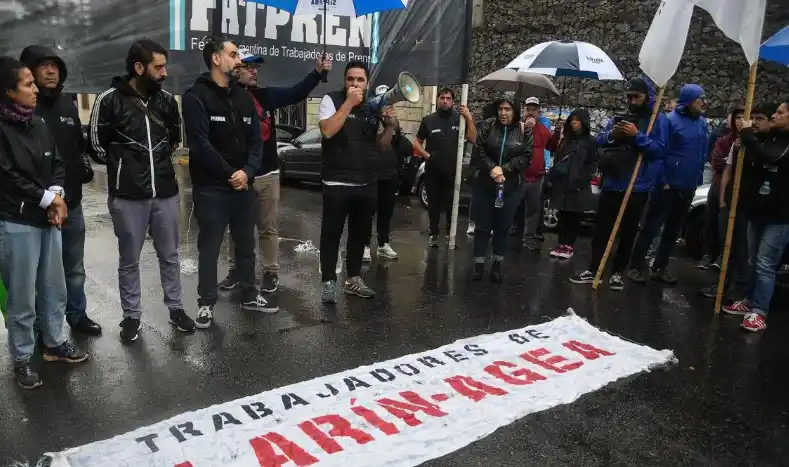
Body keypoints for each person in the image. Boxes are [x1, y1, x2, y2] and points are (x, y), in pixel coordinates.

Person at [89, 39, 195, 342]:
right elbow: (96, 145)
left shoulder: (166, 102)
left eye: (165, 66)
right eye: (158, 66)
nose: (164, 72)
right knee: (129, 260)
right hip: (127, 196)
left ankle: (175, 309)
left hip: (164, 192)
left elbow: (174, 139)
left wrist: (155, 164)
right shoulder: (109, 100)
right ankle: (131, 317)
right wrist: (126, 164)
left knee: (170, 256)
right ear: (139, 67)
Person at [0, 56, 88, 389]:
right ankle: (22, 358)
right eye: (27, 84)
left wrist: (57, 193)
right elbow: (6, 176)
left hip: (48, 217)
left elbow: (57, 163)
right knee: (22, 297)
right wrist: (49, 199)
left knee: (54, 287)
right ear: (9, 91)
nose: (35, 88)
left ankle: (54, 343)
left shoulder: (37, 123)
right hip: (16, 220)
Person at [218, 50, 331, 295]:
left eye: (256, 68)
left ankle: (270, 272)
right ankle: (235, 270)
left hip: (267, 175)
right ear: (236, 69)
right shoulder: (226, 98)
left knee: (267, 227)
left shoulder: (266, 96)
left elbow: (296, 93)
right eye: (249, 67)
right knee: (235, 227)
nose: (254, 71)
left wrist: (317, 73)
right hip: (239, 177)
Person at [182, 37, 272, 329]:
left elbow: (257, 143)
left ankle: (249, 293)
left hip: (243, 186)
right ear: (216, 59)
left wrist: (246, 171)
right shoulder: (195, 96)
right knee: (209, 247)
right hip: (212, 189)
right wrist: (229, 173)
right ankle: (206, 303)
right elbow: (200, 144)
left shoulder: (244, 98)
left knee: (246, 244)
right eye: (233, 55)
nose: (239, 61)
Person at [20, 45, 100, 336]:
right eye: (44, 66)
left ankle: (77, 316)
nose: (51, 71)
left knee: (74, 268)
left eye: (55, 65)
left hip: (72, 203)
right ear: (29, 71)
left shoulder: (67, 104)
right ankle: (41, 327)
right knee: (40, 274)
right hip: (36, 206)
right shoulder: (23, 106)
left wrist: (82, 165)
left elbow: (76, 147)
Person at [570, 76, 668, 291]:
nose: (632, 101)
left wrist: (637, 136)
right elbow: (599, 140)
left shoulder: (657, 120)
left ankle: (617, 272)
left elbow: (659, 151)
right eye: (629, 97)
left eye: (637, 97)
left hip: (637, 186)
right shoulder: (619, 117)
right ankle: (594, 268)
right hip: (612, 183)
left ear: (647, 97)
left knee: (628, 232)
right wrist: (613, 135)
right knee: (601, 230)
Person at [317, 61, 398, 303]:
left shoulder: (373, 107)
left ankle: (353, 279)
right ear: (344, 81)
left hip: (366, 182)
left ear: (367, 83)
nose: (355, 83)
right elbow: (327, 131)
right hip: (336, 182)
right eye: (350, 79)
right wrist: (348, 104)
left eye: (360, 80)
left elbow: (381, 146)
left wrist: (391, 127)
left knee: (359, 234)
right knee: (331, 234)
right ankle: (329, 281)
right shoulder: (330, 100)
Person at [628, 84, 708, 286]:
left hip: (688, 185)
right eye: (701, 99)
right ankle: (636, 266)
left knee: (673, 230)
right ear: (690, 100)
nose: (704, 103)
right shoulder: (670, 121)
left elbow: (701, 153)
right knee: (652, 227)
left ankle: (660, 267)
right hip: (667, 184)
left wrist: (697, 178)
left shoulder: (702, 123)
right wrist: (662, 179)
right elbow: (661, 152)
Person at [721, 102, 789, 332]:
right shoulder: (771, 137)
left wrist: (749, 135)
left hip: (780, 216)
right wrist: (744, 146)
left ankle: (760, 311)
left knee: (765, 263)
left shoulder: (784, 144)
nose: (774, 116)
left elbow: (771, 158)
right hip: (758, 210)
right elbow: (756, 164)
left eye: (780, 112)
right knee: (752, 261)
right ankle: (748, 301)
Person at [470, 93, 532, 282]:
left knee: (503, 227)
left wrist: (504, 169)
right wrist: (492, 169)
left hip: (510, 187)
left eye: (508, 109)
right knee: (482, 226)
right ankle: (479, 265)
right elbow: (478, 149)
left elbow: (526, 156)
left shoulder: (524, 130)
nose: (503, 113)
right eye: (500, 109)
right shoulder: (488, 125)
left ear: (515, 110)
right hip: (485, 185)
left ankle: (496, 264)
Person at [413, 88, 477, 247]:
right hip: (433, 170)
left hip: (453, 170)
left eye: (448, 98)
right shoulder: (429, 120)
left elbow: (473, 138)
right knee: (433, 204)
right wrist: (426, 155)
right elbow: (417, 142)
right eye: (442, 98)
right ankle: (434, 234)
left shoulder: (459, 119)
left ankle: (450, 234)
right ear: (438, 100)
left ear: (453, 101)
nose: (445, 101)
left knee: (452, 203)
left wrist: (468, 117)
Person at [363, 84, 414, 262]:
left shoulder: (393, 123)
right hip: (372, 174)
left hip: (390, 176)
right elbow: (378, 145)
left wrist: (396, 128)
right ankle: (365, 245)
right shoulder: (369, 119)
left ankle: (383, 244)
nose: (387, 106)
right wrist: (384, 124)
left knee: (386, 213)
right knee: (368, 212)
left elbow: (407, 148)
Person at [546, 108, 598, 259]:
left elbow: (592, 164)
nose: (574, 123)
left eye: (578, 120)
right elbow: (556, 156)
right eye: (572, 120)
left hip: (578, 186)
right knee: (562, 215)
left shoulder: (590, 141)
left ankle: (570, 245)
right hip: (563, 184)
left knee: (575, 218)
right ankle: (561, 244)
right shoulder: (566, 139)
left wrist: (581, 180)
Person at [698, 107, 744, 270]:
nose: (739, 121)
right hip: (718, 184)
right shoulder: (723, 140)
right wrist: (729, 163)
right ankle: (707, 254)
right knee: (711, 220)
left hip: (739, 189)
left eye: (743, 118)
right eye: (737, 117)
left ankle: (722, 257)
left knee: (727, 225)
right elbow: (715, 161)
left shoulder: (752, 141)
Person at [513, 97, 553, 250]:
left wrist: (555, 134)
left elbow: (551, 145)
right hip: (519, 175)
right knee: (511, 206)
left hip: (536, 176)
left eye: (534, 109)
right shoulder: (517, 126)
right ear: (524, 110)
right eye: (528, 109)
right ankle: (507, 234)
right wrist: (525, 129)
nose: (531, 112)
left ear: (538, 111)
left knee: (533, 210)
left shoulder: (543, 128)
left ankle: (528, 238)